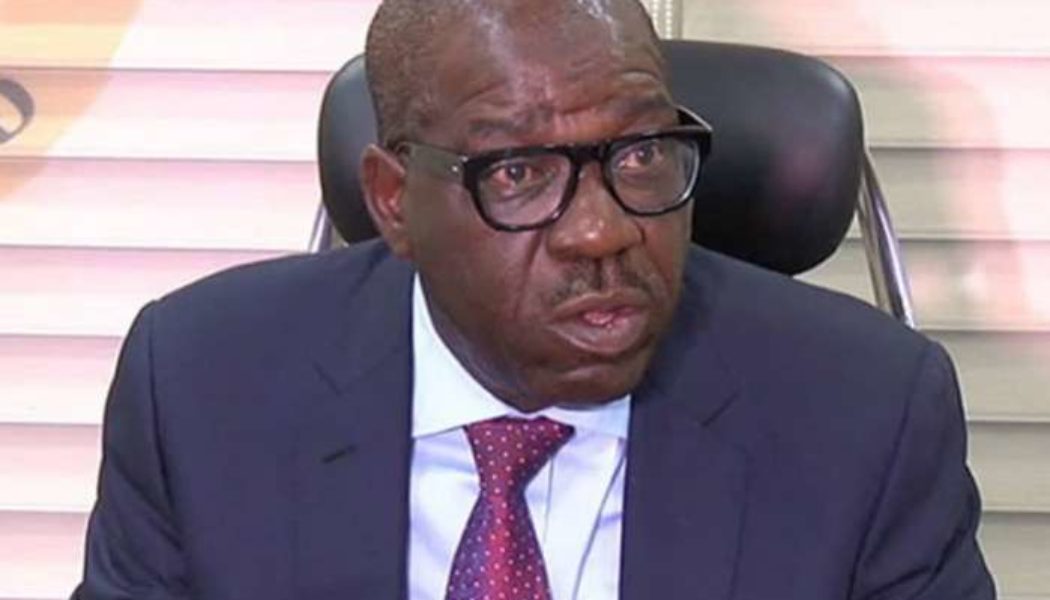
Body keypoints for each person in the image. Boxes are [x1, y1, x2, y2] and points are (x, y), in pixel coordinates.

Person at [72, 0, 995, 598]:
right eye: (518, 171)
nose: (601, 231)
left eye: (641, 153)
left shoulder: (865, 415)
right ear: (394, 202)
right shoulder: (200, 387)